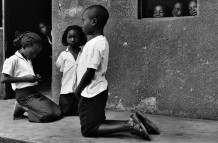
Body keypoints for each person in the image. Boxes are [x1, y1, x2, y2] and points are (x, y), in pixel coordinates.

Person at [75, 5, 160, 141]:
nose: (81, 25)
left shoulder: (96, 44)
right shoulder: (99, 42)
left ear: (94, 22)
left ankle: (130, 125)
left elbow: (90, 71)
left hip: (91, 92)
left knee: (88, 129)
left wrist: (78, 90)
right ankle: (137, 122)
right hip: (97, 90)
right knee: (97, 123)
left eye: (83, 20)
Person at [1, 31, 61, 123]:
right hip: (23, 96)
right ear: (24, 47)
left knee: (58, 111)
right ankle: (21, 107)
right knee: (47, 115)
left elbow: (26, 74)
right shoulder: (12, 60)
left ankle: (26, 107)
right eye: (33, 52)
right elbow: (3, 79)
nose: (35, 55)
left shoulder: (28, 59)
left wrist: (35, 78)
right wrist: (27, 79)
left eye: (37, 53)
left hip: (34, 93)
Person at [56, 25, 87, 116]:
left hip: (80, 89)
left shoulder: (84, 54)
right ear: (66, 39)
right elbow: (62, 71)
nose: (72, 40)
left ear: (81, 38)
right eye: (70, 37)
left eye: (76, 37)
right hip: (67, 90)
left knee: (81, 111)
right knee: (65, 112)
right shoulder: (63, 55)